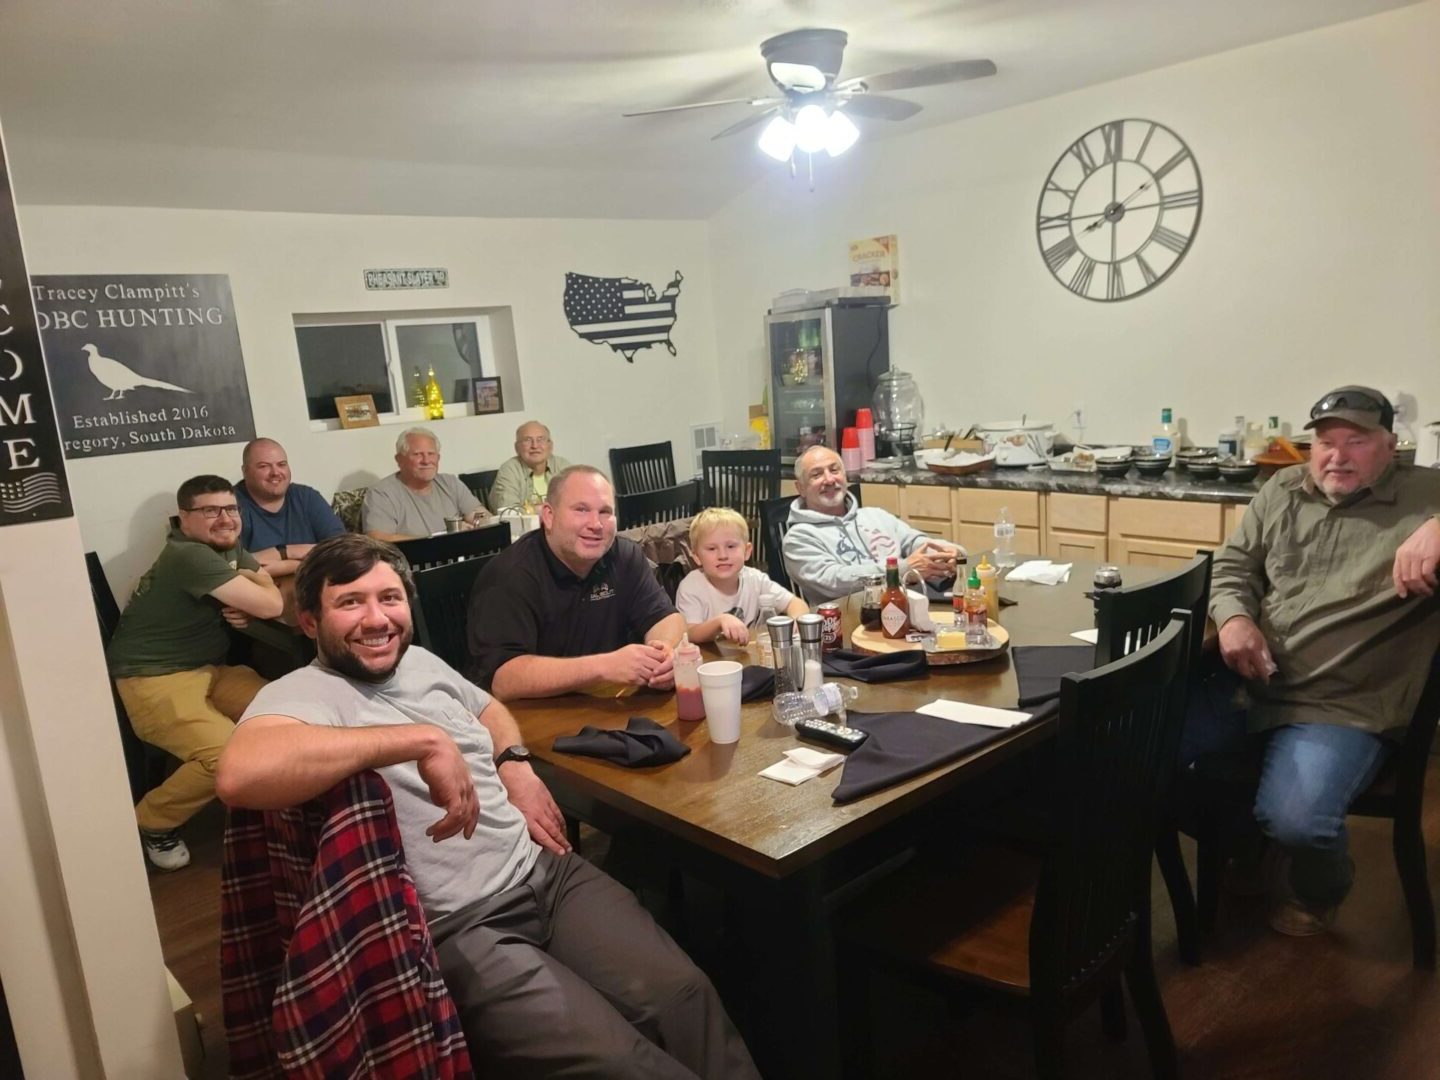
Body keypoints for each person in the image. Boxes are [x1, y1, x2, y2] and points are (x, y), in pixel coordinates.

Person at [215, 534, 759, 1079]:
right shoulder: (306, 692)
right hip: (466, 924)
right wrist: (421, 740)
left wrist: (513, 763)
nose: (377, 618)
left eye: (390, 598)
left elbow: (491, 705)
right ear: (310, 622)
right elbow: (241, 775)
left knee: (686, 996)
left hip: (548, 871)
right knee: (618, 1060)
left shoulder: (421, 661)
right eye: (350, 602)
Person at [1185, 386, 1440, 936]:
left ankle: (1323, 884)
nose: (1337, 456)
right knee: (1141, 750)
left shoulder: (1426, 495)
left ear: (1391, 445)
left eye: (1357, 440)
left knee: (1298, 822)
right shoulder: (1283, 487)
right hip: (1248, 681)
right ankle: (1243, 842)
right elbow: (1233, 568)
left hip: (1343, 703)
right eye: (1325, 442)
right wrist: (1234, 620)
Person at [107, 475, 284, 870]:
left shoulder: (224, 546)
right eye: (210, 510)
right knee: (223, 757)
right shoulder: (189, 554)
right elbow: (271, 604)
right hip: (153, 677)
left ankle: (274, 804)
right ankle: (151, 821)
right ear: (183, 518)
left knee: (287, 711)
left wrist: (256, 592)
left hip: (211, 669)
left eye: (231, 508)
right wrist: (256, 594)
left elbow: (265, 584)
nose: (224, 519)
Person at [468, 465, 685, 699]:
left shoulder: (624, 556)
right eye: (581, 510)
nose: (596, 524)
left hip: (608, 704)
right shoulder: (510, 575)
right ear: (549, 516)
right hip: (532, 717)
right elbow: (503, 680)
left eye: (605, 511)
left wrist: (664, 654)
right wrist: (605, 666)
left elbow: (665, 617)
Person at [782, 445, 965, 603]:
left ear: (845, 477)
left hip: (908, 608)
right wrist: (903, 569)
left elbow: (914, 541)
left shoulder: (875, 515)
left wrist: (948, 553)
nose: (829, 480)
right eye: (817, 474)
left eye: (834, 470)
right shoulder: (798, 538)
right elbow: (834, 580)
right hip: (848, 624)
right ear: (801, 488)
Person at [677, 507, 806, 644]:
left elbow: (796, 603)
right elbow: (689, 633)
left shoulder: (755, 579)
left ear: (747, 551)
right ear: (696, 556)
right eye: (711, 549)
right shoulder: (691, 586)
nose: (723, 555)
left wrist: (797, 620)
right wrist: (720, 621)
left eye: (731, 546)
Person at [234, 437, 345, 576]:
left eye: (281, 464)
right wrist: (294, 553)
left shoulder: (306, 497)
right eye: (264, 466)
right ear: (246, 471)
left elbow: (342, 549)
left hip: (313, 585)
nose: (275, 472)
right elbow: (233, 565)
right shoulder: (230, 505)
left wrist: (285, 560)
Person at [363, 427, 493, 540]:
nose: (426, 461)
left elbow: (480, 515)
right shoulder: (382, 494)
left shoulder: (450, 483)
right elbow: (379, 540)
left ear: (438, 458)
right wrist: (442, 537)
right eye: (417, 454)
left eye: (431, 454)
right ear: (399, 460)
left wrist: (479, 524)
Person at [488, 419, 572, 512]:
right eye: (527, 440)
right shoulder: (509, 470)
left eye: (541, 439)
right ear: (517, 448)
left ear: (550, 446)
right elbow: (509, 512)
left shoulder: (563, 466)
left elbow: (578, 502)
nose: (535, 446)